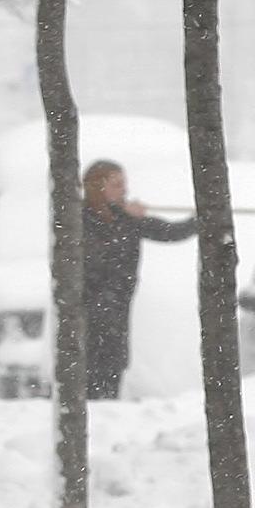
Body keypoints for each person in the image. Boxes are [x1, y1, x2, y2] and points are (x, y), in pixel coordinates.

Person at [82, 159, 196, 400]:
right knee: (92, 372)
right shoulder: (83, 218)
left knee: (113, 369)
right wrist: (123, 216)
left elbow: (170, 232)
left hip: (118, 308)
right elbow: (98, 257)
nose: (124, 190)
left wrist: (200, 218)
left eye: (124, 184)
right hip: (91, 310)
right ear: (97, 187)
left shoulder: (125, 219)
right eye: (117, 185)